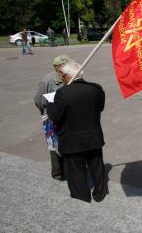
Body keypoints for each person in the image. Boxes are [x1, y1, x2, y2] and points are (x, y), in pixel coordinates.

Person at [47, 61, 109, 203]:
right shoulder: (96, 88)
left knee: (76, 171)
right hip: (93, 136)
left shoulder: (62, 93)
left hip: (72, 139)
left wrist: (50, 104)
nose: (62, 78)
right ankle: (100, 193)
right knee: (97, 166)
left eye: (63, 76)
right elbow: (100, 107)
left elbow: (55, 116)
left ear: (68, 76)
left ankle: (82, 197)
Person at [34, 55, 73, 180]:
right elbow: (38, 100)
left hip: (66, 117)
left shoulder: (69, 77)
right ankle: (57, 173)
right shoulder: (47, 80)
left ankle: (69, 169)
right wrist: (46, 112)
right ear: (59, 67)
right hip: (51, 118)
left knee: (67, 142)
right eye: (68, 65)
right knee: (54, 144)